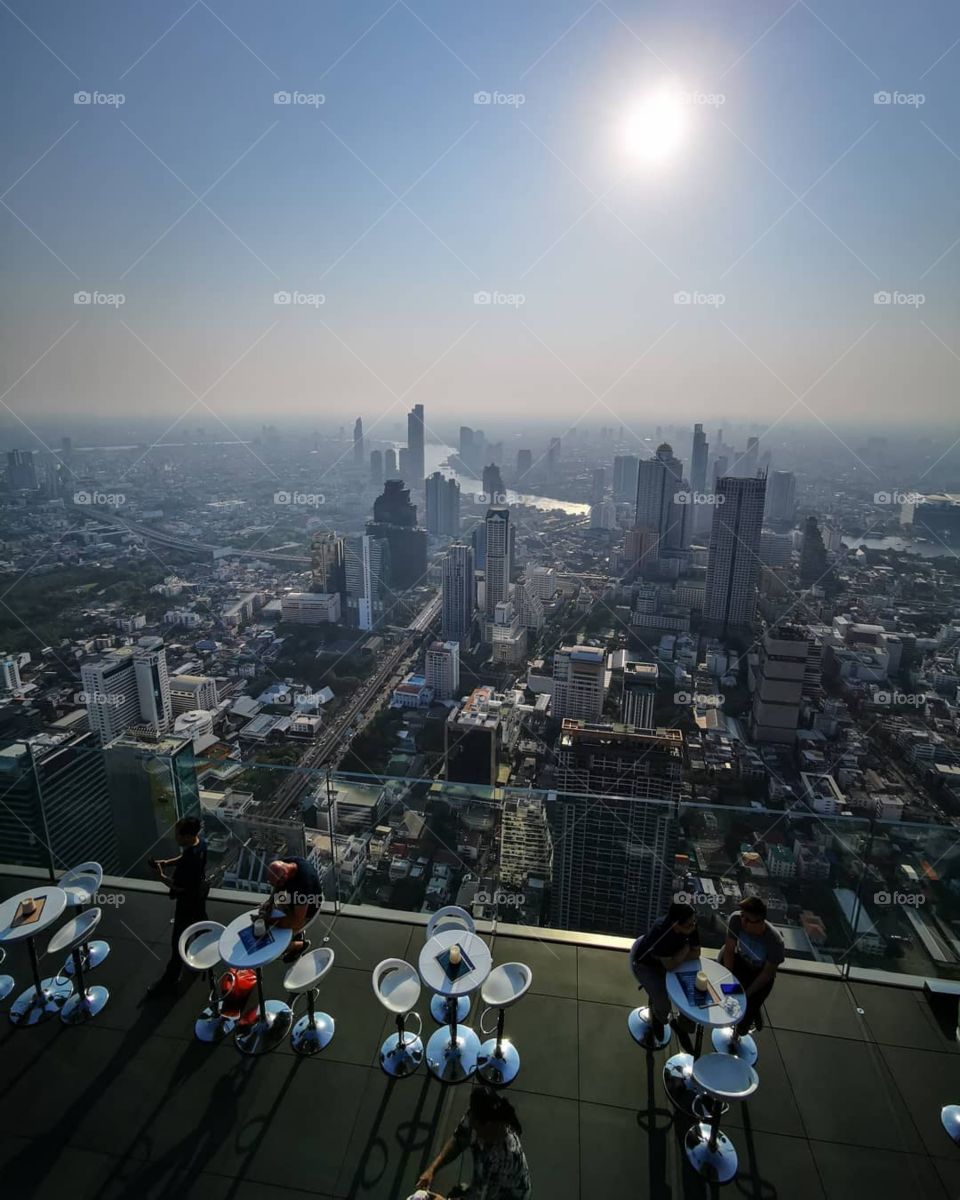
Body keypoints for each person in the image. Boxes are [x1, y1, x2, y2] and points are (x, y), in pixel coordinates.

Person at [416, 1087, 531, 1200]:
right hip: (484, 1185)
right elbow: (458, 1140)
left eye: (476, 1127)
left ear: (490, 1125)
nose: (472, 1127)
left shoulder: (505, 1159)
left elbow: (484, 1196)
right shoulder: (477, 1114)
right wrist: (432, 1169)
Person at [146, 816, 208, 997]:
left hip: (187, 900)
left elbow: (178, 886)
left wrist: (161, 877)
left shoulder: (190, 861)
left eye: (178, 834)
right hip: (200, 892)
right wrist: (167, 863)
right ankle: (203, 955)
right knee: (201, 923)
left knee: (178, 940)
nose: (176, 837)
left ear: (188, 836)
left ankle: (171, 978)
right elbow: (185, 856)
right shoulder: (200, 843)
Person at [629, 900, 700, 1046]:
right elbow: (670, 966)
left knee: (695, 991)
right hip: (647, 966)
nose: (693, 926)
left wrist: (679, 956)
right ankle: (658, 1018)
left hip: (671, 961)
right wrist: (686, 949)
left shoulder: (690, 925)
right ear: (675, 925)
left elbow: (696, 954)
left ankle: (682, 1025)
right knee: (664, 1005)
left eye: (694, 922)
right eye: (689, 925)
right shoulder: (660, 933)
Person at [719, 896, 784, 1036]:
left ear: (760, 922)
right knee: (725, 994)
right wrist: (729, 980)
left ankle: (748, 1019)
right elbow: (729, 950)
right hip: (740, 963)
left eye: (748, 920)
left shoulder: (774, 941)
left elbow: (767, 974)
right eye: (742, 916)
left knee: (745, 1016)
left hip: (759, 973)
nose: (743, 921)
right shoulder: (736, 920)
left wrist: (746, 995)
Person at [256, 857, 323, 963]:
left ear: (284, 877)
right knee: (263, 914)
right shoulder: (286, 864)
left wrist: (270, 920)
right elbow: (278, 888)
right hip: (294, 902)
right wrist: (270, 902)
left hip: (306, 912)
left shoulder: (303, 883)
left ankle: (300, 946)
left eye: (276, 884)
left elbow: (298, 919)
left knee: (272, 943)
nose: (275, 887)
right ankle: (296, 935)